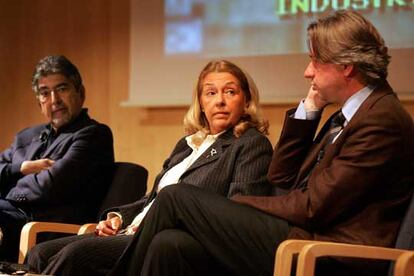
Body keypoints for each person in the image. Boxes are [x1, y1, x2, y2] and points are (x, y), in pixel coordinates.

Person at [105, 10, 414, 276]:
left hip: (330, 253)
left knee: (176, 197)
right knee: (168, 244)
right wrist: (309, 111)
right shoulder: (348, 113)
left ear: (346, 67)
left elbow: (311, 207)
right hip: (307, 237)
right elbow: (281, 176)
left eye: (315, 61)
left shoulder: (380, 120)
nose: (308, 72)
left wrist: (238, 203)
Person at [26, 59, 274, 275]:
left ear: (246, 100)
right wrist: (118, 217)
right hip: (132, 230)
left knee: (75, 256)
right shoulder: (186, 145)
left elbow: (235, 214)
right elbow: (152, 199)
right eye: (210, 93)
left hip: (166, 239)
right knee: (40, 252)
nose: (219, 101)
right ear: (200, 101)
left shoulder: (251, 144)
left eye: (230, 92)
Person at [0, 55, 114, 262]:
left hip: (44, 227)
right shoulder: (25, 137)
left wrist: (6, 184)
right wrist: (22, 168)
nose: (55, 100)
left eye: (62, 89)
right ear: (39, 102)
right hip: (11, 216)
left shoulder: (94, 135)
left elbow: (50, 185)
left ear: (80, 93)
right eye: (45, 93)